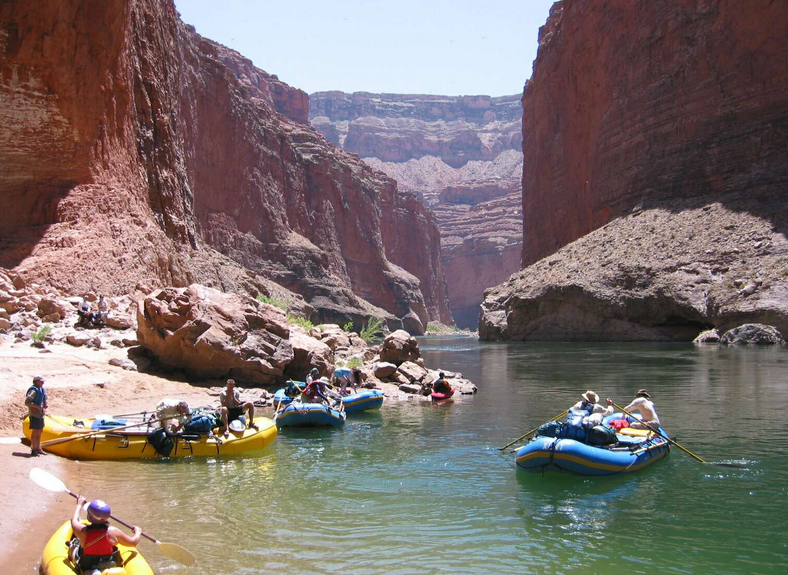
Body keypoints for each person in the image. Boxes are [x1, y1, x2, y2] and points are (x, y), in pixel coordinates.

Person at [71, 495, 141, 575]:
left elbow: (74, 521)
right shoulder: (113, 531)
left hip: (89, 566)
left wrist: (79, 505)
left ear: (89, 516)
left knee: (74, 547)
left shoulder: (82, 531)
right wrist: (137, 532)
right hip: (110, 565)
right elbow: (133, 542)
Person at [25, 375, 48, 456]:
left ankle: (38, 448)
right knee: (35, 431)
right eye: (41, 381)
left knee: (40, 430)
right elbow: (27, 403)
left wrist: (45, 404)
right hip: (34, 414)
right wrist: (37, 407)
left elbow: (44, 398)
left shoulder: (41, 389)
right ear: (36, 381)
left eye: (43, 381)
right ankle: (34, 449)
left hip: (40, 413)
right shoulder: (33, 391)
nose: (43, 382)